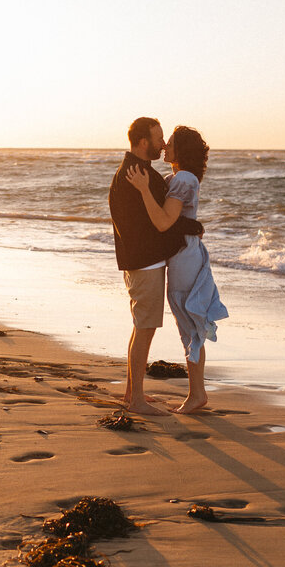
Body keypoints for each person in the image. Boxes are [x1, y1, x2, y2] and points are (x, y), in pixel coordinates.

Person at [125, 125, 227, 414]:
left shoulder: (182, 178)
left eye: (169, 143)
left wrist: (143, 189)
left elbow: (163, 222)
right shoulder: (179, 177)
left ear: (180, 150)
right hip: (184, 255)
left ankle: (197, 394)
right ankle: (197, 393)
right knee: (189, 322)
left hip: (184, 259)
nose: (164, 146)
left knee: (189, 324)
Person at [108, 117, 203, 416]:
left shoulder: (141, 171)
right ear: (144, 142)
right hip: (144, 263)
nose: (163, 144)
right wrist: (194, 225)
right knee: (145, 328)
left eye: (167, 140)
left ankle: (131, 394)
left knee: (141, 328)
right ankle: (136, 399)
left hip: (141, 262)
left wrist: (190, 225)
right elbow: (159, 224)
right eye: (159, 139)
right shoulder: (137, 174)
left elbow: (158, 219)